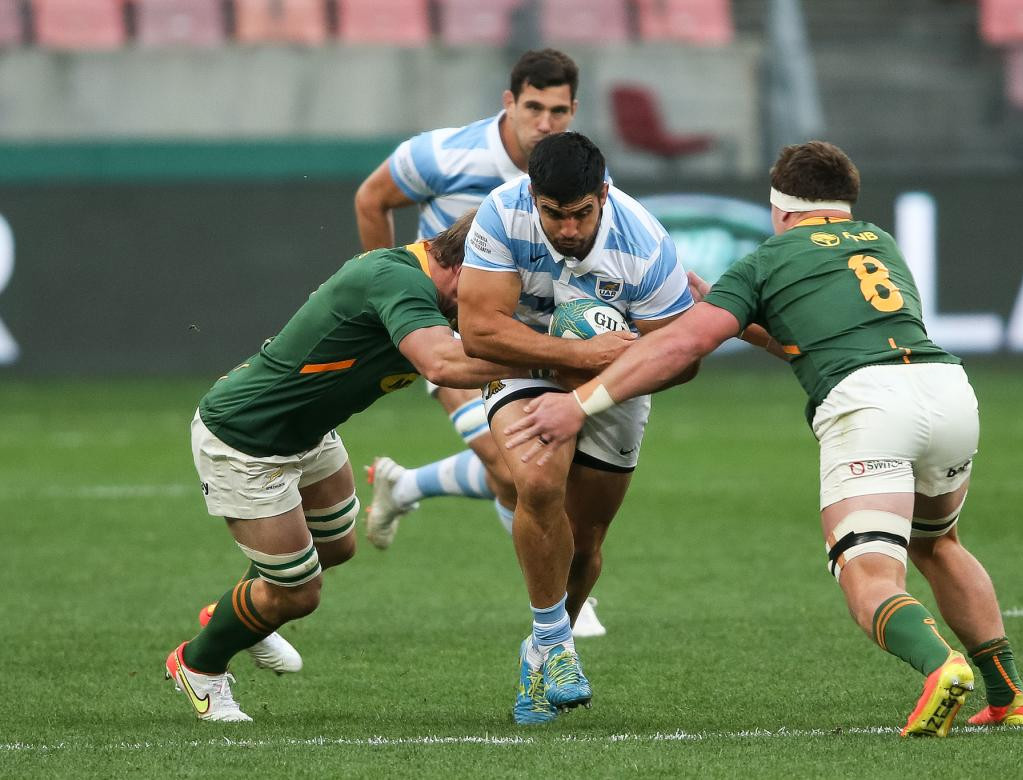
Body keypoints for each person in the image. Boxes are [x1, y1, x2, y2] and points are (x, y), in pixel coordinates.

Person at [502, 140, 1023, 737]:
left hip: (869, 407)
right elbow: (800, 337)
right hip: (947, 390)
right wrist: (731, 306)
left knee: (867, 575)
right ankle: (1010, 695)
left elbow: (682, 345)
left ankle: (941, 667)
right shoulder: (879, 243)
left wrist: (581, 403)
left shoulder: (770, 259)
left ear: (781, 209)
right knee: (939, 545)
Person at [166, 212, 519, 721]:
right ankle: (199, 664)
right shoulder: (396, 279)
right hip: (246, 439)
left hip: (308, 434)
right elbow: (443, 364)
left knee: (337, 547)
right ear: (465, 267)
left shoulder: (432, 289)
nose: (499, 298)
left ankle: (241, 614)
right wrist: (554, 360)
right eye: (496, 281)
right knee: (300, 592)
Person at [353, 48, 606, 637]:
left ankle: (404, 484)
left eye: (560, 110)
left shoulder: (570, 174)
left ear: (574, 110)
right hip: (459, 337)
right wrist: (386, 296)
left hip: (538, 338)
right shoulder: (442, 154)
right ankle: (564, 597)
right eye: (535, 107)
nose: (546, 122)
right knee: (512, 465)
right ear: (509, 102)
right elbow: (372, 198)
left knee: (513, 474)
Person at [455, 131, 704, 725]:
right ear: (534, 198)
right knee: (538, 484)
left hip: (615, 376)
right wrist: (572, 353)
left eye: (580, 213)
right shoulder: (503, 211)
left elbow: (682, 358)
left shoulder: (644, 245)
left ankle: (537, 653)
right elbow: (479, 330)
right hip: (525, 362)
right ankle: (560, 644)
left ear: (604, 194)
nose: (566, 228)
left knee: (587, 542)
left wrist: (597, 378)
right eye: (553, 213)